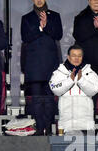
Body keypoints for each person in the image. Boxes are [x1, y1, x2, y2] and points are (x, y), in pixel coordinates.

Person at [21, 0, 62, 135]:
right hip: (34, 66)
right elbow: (25, 37)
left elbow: (58, 34)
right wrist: (40, 27)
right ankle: (38, 129)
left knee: (50, 100)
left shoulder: (55, 16)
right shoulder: (26, 18)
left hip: (51, 65)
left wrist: (47, 25)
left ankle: (49, 128)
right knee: (37, 100)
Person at [49, 45, 98, 133]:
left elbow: (94, 90)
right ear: (68, 57)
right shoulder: (59, 72)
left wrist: (81, 80)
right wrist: (70, 80)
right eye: (74, 56)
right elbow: (55, 89)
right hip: (66, 124)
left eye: (79, 56)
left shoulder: (90, 72)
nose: (76, 58)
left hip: (86, 124)